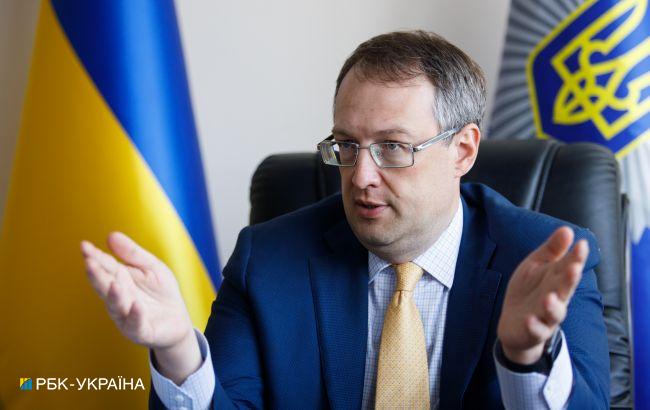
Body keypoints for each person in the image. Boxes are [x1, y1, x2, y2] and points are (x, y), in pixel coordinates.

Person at [81, 31, 610, 409]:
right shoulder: (269, 260)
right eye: (346, 146)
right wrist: (177, 349)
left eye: (393, 147)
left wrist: (525, 357)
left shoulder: (542, 262)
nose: (360, 177)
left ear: (463, 150)